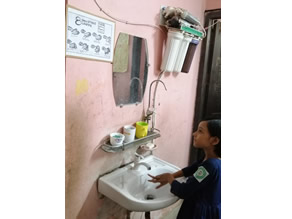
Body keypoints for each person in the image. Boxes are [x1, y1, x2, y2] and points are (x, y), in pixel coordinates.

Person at [148, 119, 221, 219]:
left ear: (214, 140)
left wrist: (170, 178)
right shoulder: (210, 158)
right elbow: (191, 169)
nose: (194, 134)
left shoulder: (209, 166)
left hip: (200, 212)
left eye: (200, 131)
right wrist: (173, 176)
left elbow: (183, 191)